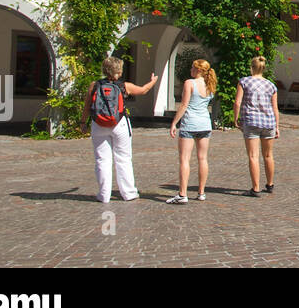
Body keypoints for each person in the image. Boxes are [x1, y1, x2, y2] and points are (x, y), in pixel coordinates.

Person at [83, 56, 158, 203]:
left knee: (102, 160)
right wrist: (153, 81)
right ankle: (129, 193)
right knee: (123, 158)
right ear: (119, 70)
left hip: (98, 124)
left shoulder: (95, 85)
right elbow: (143, 90)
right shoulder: (124, 86)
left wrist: (82, 123)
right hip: (119, 124)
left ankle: (104, 195)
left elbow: (87, 106)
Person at [167, 59, 216, 204]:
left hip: (190, 124)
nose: (191, 70)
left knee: (184, 159)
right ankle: (201, 192)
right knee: (202, 158)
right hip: (205, 124)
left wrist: (174, 123)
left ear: (198, 70)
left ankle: (183, 194)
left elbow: (183, 105)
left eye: (193, 68)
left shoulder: (190, 83)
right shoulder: (210, 84)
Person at [233, 56, 280, 197]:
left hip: (251, 120)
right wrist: (277, 126)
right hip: (269, 122)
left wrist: (236, 119)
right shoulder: (271, 85)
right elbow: (275, 108)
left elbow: (237, 102)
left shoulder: (244, 81)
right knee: (268, 155)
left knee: (253, 156)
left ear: (251, 67)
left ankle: (255, 188)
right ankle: (270, 184)